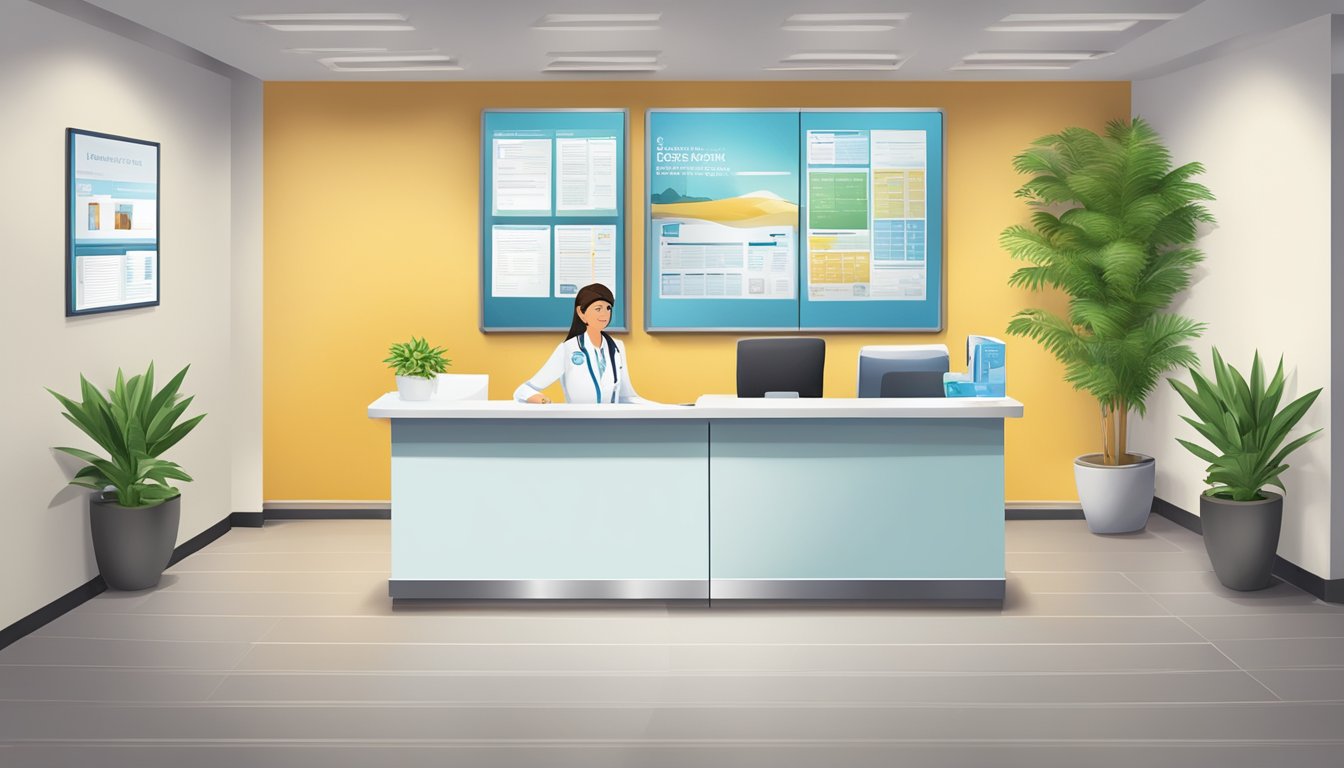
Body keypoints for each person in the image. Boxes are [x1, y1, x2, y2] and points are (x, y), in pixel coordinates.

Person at [513, 283, 651, 404]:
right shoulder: (567, 349)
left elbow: (626, 397)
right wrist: (543, 401)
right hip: (578, 425)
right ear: (581, 312)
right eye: (598, 308)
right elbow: (523, 391)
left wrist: (660, 408)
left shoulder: (617, 347)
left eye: (608, 308)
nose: (605, 314)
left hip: (611, 426)